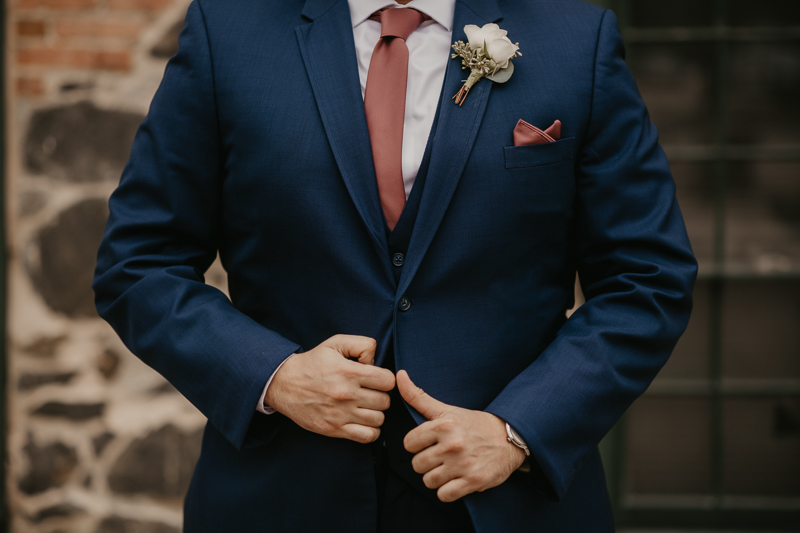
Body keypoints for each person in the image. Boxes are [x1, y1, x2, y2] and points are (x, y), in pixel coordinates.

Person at [93, 0, 697, 531]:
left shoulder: (577, 40)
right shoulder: (228, 33)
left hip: (507, 505)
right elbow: (139, 262)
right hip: (283, 497)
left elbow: (648, 277)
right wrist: (274, 376)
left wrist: (518, 430)